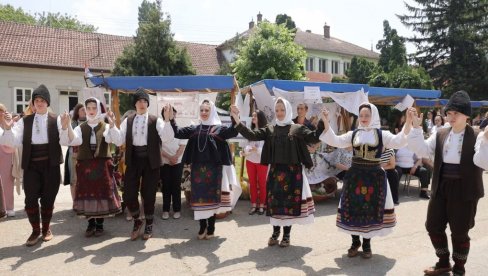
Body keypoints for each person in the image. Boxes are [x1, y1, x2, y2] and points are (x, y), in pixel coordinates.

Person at [407, 91, 486, 276]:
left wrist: (487, 142)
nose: (450, 117)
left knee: (460, 232)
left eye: (455, 113)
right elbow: (422, 150)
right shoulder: (440, 133)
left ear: (466, 115)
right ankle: (443, 262)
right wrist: (417, 129)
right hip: (441, 186)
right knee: (433, 225)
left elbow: (483, 162)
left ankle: (459, 268)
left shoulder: (477, 135)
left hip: (464, 189)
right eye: (448, 113)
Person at [319, 102, 412, 258]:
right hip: (355, 176)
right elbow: (335, 140)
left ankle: (367, 244)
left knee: (370, 209)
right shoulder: (354, 134)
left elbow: (399, 141)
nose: (363, 118)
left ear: (373, 115)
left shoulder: (382, 134)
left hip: (374, 178)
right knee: (353, 208)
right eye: (361, 115)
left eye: (367, 115)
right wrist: (326, 120)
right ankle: (355, 242)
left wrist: (408, 121)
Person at [231, 97, 324, 247]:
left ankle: (286, 235)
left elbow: (314, 137)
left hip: (293, 173)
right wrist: (236, 118)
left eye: (282, 110)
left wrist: (323, 121)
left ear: (287, 110)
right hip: (275, 172)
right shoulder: (270, 129)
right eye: (277, 110)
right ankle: (275, 233)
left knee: (289, 204)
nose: (279, 113)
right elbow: (251, 135)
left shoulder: (297, 129)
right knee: (275, 204)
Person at [0, 84, 66, 246]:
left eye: (42, 100)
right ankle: (35, 230)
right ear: (33, 103)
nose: (39, 102)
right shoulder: (25, 121)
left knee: (48, 199)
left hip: (51, 166)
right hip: (31, 166)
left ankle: (46, 228)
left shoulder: (55, 119)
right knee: (30, 200)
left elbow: (65, 139)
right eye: (36, 100)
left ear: (47, 102)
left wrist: (65, 127)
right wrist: (8, 129)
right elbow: (14, 141)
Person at [106, 88, 174, 240]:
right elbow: (118, 140)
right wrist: (111, 125)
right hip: (134, 159)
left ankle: (149, 223)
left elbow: (167, 137)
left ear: (148, 104)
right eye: (139, 101)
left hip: (151, 161)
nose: (142, 104)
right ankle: (137, 220)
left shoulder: (156, 120)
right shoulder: (128, 120)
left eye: (144, 101)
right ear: (135, 104)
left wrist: (168, 120)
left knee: (148, 194)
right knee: (129, 193)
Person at [170, 100, 238, 240]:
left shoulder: (219, 129)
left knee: (212, 199)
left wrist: (235, 116)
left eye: (206, 110)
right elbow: (177, 133)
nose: (204, 113)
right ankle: (202, 226)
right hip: (197, 172)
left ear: (212, 111)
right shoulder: (194, 128)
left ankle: (211, 227)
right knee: (199, 200)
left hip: (214, 171)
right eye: (201, 110)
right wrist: (171, 119)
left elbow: (233, 131)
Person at [61, 97, 122, 237]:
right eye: (88, 108)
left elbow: (118, 140)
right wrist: (68, 125)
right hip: (86, 167)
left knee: (101, 195)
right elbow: (73, 140)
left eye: (94, 108)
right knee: (88, 197)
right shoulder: (80, 127)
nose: (91, 110)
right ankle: (90, 224)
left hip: (102, 167)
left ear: (99, 109)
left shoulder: (105, 126)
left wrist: (112, 123)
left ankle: (99, 224)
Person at [160, 107, 186, 220]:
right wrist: (169, 157)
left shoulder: (179, 128)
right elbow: (158, 147)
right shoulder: (160, 129)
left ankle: (177, 209)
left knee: (176, 186)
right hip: (165, 162)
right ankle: (165, 210)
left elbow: (183, 145)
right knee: (166, 186)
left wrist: (175, 157)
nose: (172, 117)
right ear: (164, 115)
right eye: (169, 114)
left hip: (178, 161)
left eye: (173, 115)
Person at [241, 110, 268, 215]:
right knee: (252, 183)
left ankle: (262, 204)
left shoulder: (265, 132)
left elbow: (266, 150)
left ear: (260, 117)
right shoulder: (250, 131)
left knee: (262, 184)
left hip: (262, 162)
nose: (253, 117)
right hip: (250, 161)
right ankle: (253, 205)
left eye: (255, 116)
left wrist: (257, 150)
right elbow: (245, 146)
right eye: (252, 116)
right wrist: (245, 151)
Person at [0, 103, 21, 218]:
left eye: (2, 111)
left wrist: (9, 124)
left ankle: (9, 207)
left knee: (7, 182)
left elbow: (14, 140)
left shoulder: (11, 123)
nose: (0, 113)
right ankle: (2, 208)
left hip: (7, 153)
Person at [63, 103, 86, 207]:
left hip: (86, 156)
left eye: (86, 109)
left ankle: (85, 202)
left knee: (86, 179)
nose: (85, 111)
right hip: (74, 155)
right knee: (74, 180)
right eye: (82, 109)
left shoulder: (90, 123)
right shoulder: (72, 123)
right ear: (77, 111)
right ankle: (75, 203)